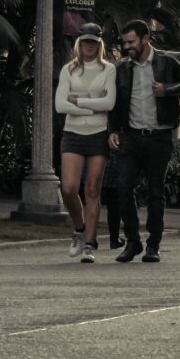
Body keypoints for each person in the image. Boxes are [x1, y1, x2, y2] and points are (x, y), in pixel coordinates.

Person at [108, 19, 180, 264]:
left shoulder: (169, 59)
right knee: (123, 188)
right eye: (125, 42)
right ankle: (133, 241)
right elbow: (116, 102)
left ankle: (154, 244)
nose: (127, 46)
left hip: (159, 137)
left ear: (145, 38)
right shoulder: (122, 67)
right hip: (131, 136)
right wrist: (113, 130)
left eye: (131, 41)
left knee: (155, 192)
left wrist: (168, 89)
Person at [55, 24, 116, 263]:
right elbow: (60, 105)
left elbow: (109, 103)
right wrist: (93, 103)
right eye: (85, 42)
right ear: (78, 44)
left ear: (99, 44)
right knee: (69, 187)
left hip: (98, 135)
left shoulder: (109, 69)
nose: (89, 46)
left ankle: (90, 243)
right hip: (73, 134)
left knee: (92, 188)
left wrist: (77, 101)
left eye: (93, 42)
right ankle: (79, 229)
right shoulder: (68, 70)